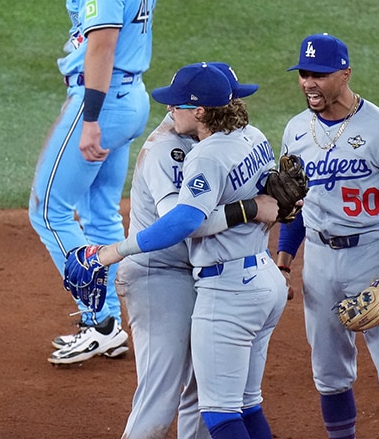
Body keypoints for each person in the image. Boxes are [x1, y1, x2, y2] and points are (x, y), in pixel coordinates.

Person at [84, 62, 288, 439]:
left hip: (216, 279)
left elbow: (191, 220)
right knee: (166, 394)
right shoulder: (178, 149)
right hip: (161, 274)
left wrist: (110, 253)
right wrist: (252, 208)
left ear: (201, 110)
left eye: (176, 104)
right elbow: (177, 223)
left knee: (212, 399)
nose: (168, 109)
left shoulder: (217, 147)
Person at [274, 33, 379, 438]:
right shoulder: (295, 131)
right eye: (304, 74)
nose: (309, 82)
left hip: (373, 260)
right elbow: (296, 206)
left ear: (344, 74)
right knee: (329, 375)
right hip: (320, 262)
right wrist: (284, 261)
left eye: (320, 75)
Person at [32, 0, 158, 364]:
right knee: (101, 209)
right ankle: (107, 320)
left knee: (48, 210)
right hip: (128, 98)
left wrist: (88, 121)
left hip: (101, 102)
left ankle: (99, 320)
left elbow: (102, 45)